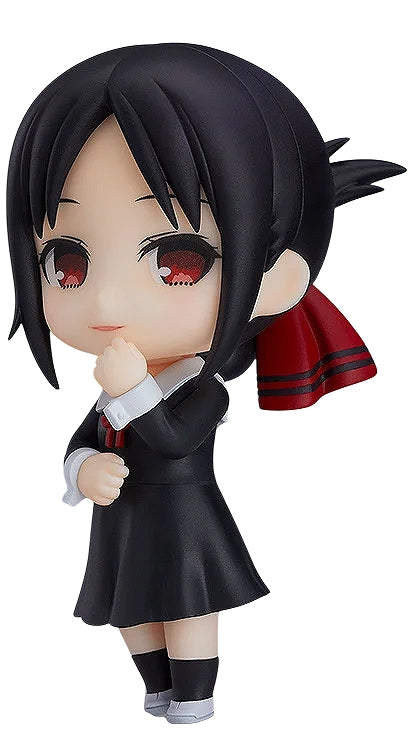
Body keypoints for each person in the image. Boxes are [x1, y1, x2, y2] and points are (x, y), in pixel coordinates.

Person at [6, 43, 405, 724]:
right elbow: (84, 437)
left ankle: (194, 698)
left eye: (177, 259)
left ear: (277, 276)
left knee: (188, 608)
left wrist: (132, 391)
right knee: (128, 613)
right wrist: (83, 466)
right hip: (122, 523)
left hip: (184, 524)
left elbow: (172, 438)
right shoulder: (112, 388)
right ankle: (155, 689)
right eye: (66, 262)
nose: (105, 301)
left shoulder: (202, 389)